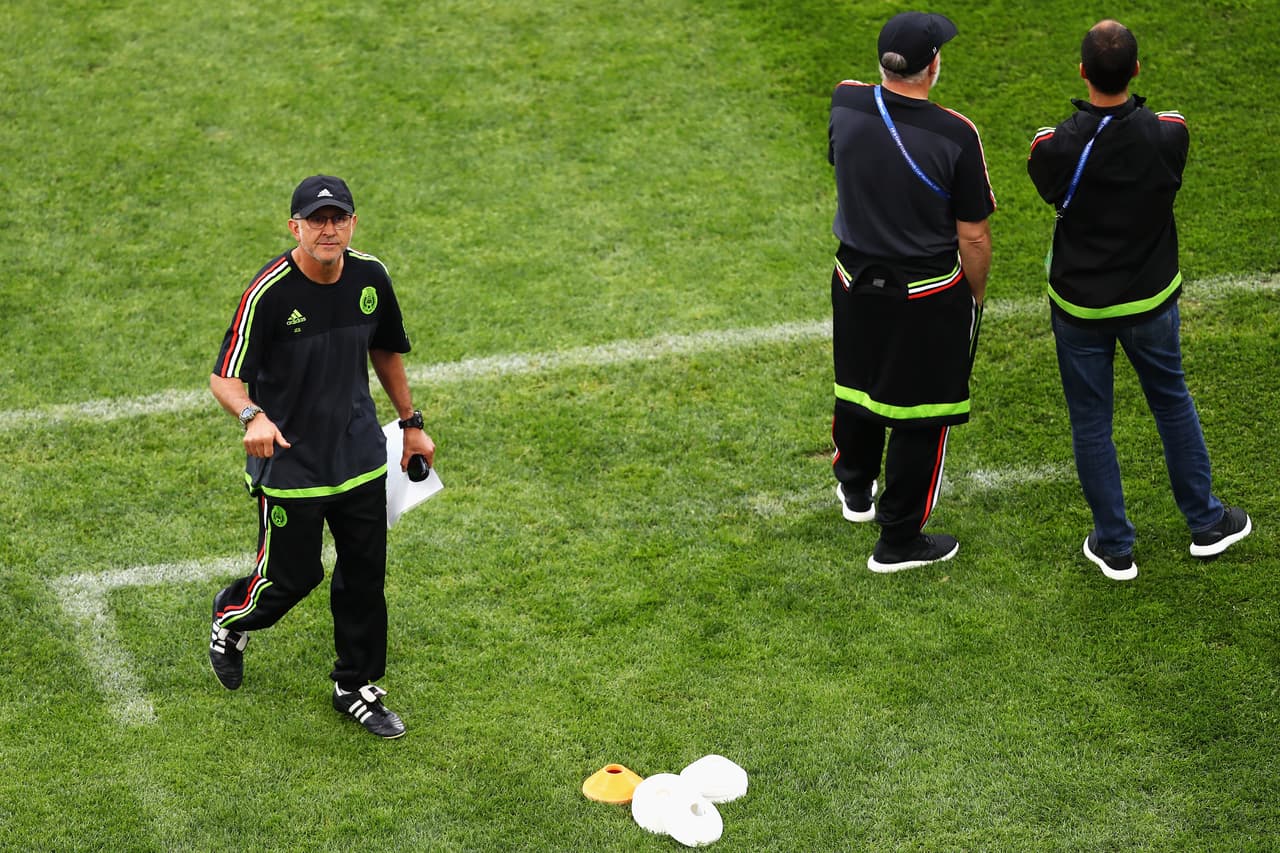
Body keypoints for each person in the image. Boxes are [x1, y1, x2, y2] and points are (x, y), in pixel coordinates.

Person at [206, 175, 435, 737]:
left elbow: (385, 349)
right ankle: (230, 619)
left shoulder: (370, 277)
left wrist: (412, 426)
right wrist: (251, 416)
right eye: (316, 220)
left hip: (358, 454)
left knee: (363, 575)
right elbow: (224, 379)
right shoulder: (269, 293)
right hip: (290, 462)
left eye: (338, 218)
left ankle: (355, 685)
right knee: (290, 578)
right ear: (296, 227)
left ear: (352, 223)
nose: (328, 229)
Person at [1027, 20, 1251, 580]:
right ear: (1137, 70)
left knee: (1091, 422)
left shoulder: (1053, 147)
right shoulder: (1169, 134)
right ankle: (1205, 523)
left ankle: (1115, 545)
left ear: (1082, 72)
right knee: (1171, 401)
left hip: (1080, 308)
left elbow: (1049, 170)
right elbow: (1162, 141)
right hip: (1151, 302)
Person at [827, 11, 994, 572]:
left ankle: (855, 491)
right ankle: (897, 539)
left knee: (856, 381)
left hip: (852, 279)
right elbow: (972, 233)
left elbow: (845, 161)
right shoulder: (955, 133)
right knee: (923, 412)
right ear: (933, 67)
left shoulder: (845, 101)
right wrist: (973, 296)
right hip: (925, 294)